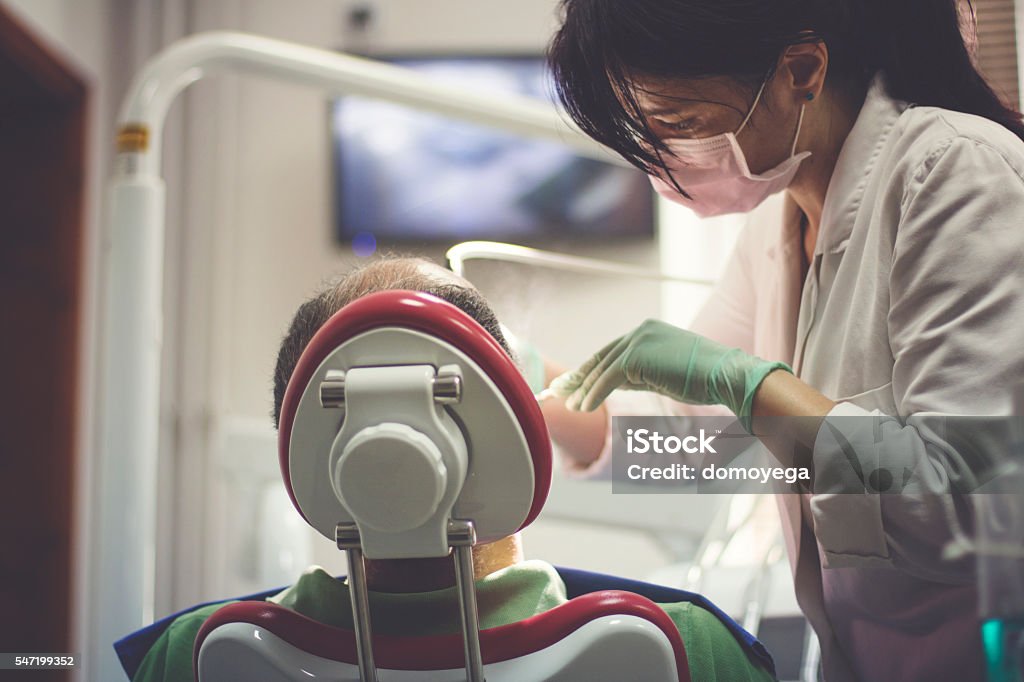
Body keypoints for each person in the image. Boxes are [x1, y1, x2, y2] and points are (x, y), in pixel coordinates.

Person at [538, 1, 1024, 681]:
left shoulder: (956, 175)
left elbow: (967, 502)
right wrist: (532, 396)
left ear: (802, 69)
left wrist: (750, 385)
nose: (663, 161)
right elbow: (689, 446)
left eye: (679, 125)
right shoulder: (778, 231)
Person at [129, 256, 775, 682]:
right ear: (514, 433)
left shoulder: (191, 656)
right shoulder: (688, 650)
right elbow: (855, 466)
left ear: (307, 450)